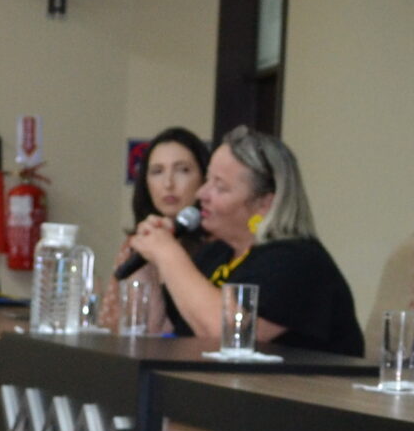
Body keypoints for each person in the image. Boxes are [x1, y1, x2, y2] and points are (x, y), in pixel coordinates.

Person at [124, 126, 365, 356]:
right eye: (207, 180)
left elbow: (227, 336)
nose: (201, 194)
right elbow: (157, 332)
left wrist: (168, 253)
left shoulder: (297, 261)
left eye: (220, 187)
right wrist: (148, 258)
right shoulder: (217, 254)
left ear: (265, 203)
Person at [128, 125, 230, 277]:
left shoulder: (222, 246)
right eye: (157, 171)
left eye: (183, 170)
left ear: (204, 177)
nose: (168, 183)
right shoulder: (137, 243)